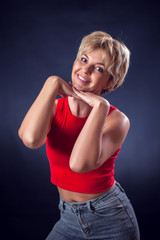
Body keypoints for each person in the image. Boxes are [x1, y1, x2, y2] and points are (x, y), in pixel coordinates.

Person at [18, 31, 140, 239]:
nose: (85, 69)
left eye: (99, 68)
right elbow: (30, 139)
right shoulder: (54, 108)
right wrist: (52, 83)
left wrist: (101, 106)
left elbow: (79, 164)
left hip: (111, 218)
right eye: (84, 59)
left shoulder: (117, 120)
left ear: (109, 82)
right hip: (68, 216)